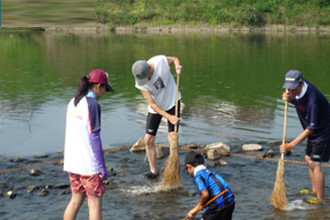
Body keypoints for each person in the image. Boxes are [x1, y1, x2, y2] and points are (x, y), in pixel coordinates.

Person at [63, 69, 114, 220]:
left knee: (75, 202)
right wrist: (102, 168)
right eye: (105, 89)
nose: (104, 93)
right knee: (94, 206)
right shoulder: (92, 105)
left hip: (72, 164)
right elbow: (95, 138)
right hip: (89, 166)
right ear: (98, 86)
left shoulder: (73, 102)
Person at [280, 70, 330, 204]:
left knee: (315, 163)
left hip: (324, 131)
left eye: (292, 89)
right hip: (314, 130)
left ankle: (320, 199)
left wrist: (291, 145)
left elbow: (312, 128)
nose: (289, 91)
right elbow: (299, 104)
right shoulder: (296, 90)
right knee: (308, 158)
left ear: (301, 85)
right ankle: (314, 191)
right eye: (288, 89)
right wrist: (290, 100)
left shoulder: (312, 98)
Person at [131, 55, 183, 179]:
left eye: (146, 77)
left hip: (172, 101)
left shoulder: (160, 61)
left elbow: (175, 59)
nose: (145, 80)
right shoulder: (141, 84)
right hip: (156, 107)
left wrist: (177, 66)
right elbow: (152, 104)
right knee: (148, 139)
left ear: (149, 69)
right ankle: (154, 171)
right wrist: (168, 117)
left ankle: (173, 167)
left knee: (172, 137)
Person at [185, 151, 235, 220]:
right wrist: (196, 210)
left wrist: (199, 206)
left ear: (189, 166)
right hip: (230, 202)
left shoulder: (198, 177)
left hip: (217, 206)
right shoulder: (209, 173)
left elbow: (205, 194)